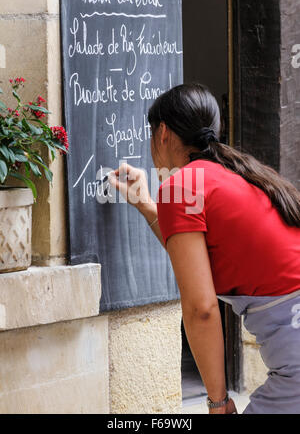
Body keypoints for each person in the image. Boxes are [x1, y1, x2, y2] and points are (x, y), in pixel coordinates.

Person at [108, 83, 300, 414]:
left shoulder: (180, 186)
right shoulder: (241, 173)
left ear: (163, 132)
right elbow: (195, 256)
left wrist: (218, 401)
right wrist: (148, 206)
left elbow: (202, 309)